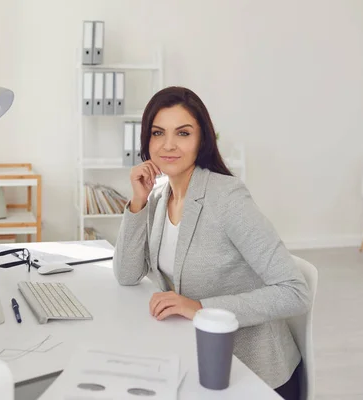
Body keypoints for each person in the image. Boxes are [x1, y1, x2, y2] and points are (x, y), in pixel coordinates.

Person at [112, 86, 310, 400]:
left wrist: (201, 308)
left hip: (255, 376)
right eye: (158, 132)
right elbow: (126, 274)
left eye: (183, 133)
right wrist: (138, 202)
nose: (168, 145)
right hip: (197, 362)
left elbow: (295, 292)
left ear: (202, 139)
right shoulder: (162, 197)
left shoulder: (227, 197)